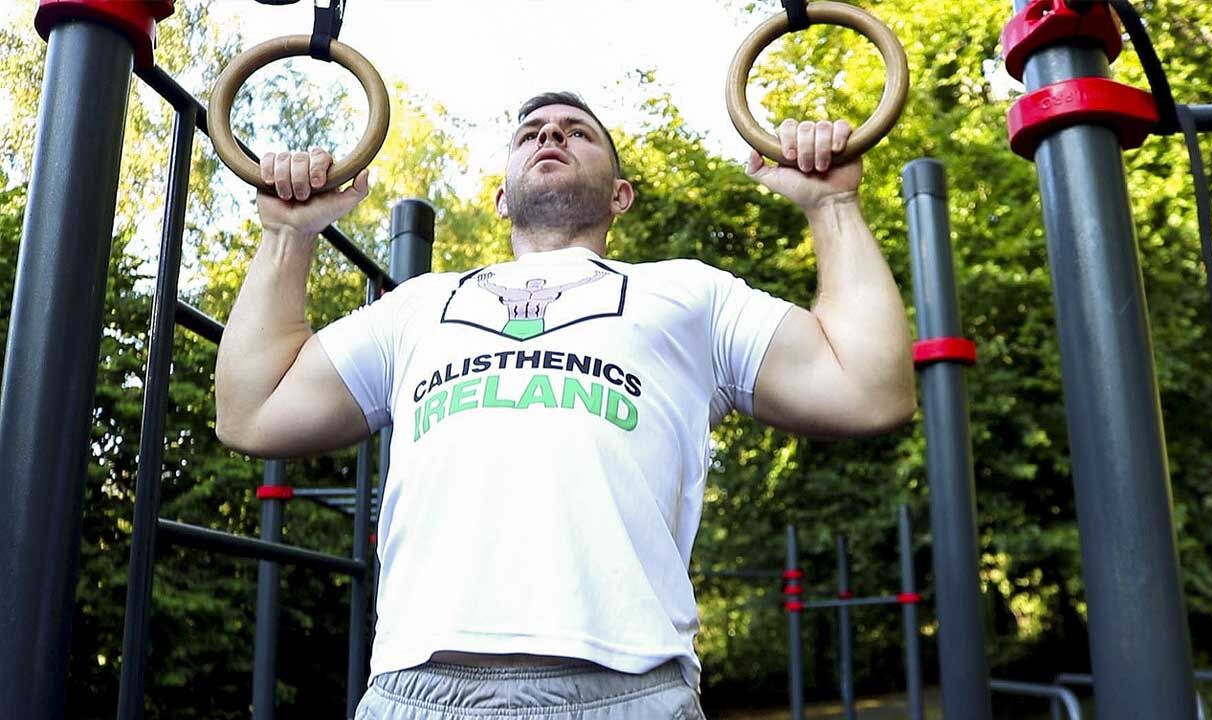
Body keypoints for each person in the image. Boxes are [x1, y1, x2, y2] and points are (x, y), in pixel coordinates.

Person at [214, 91, 915, 719]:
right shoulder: (418, 307)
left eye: (577, 132)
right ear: (500, 196)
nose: (550, 135)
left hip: (628, 692)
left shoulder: (690, 296)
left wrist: (833, 206)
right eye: (531, 134)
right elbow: (254, 410)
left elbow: (868, 388)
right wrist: (286, 234)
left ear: (620, 195)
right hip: (416, 692)